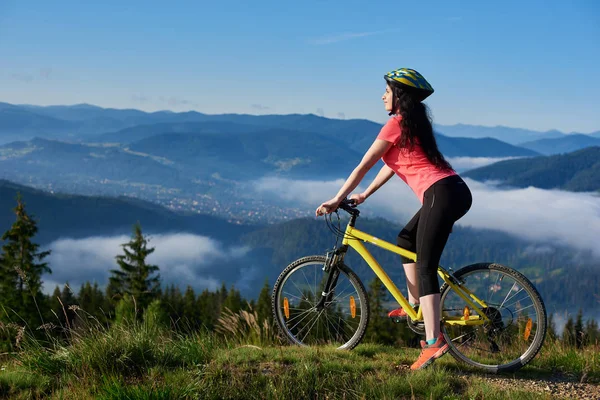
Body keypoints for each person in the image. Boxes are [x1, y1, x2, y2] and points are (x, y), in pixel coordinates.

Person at [315, 68, 472, 370]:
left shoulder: (395, 124)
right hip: (453, 190)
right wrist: (365, 195)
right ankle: (415, 304)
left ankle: (433, 342)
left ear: (399, 95)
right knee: (405, 239)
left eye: (387, 91)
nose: (382, 95)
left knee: (426, 266)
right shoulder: (414, 125)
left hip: (441, 194)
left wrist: (337, 198)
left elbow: (364, 165)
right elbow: (391, 164)